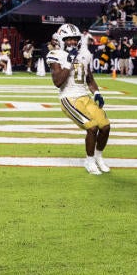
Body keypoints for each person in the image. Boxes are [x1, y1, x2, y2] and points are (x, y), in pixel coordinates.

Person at [46, 23, 111, 176]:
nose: (72, 42)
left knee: (105, 126)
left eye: (74, 39)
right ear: (61, 40)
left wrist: (96, 93)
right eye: (68, 39)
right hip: (68, 97)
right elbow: (57, 82)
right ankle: (89, 160)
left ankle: (98, 157)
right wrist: (69, 62)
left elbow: (89, 79)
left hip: (84, 96)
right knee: (92, 127)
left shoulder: (84, 54)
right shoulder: (55, 55)